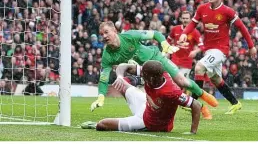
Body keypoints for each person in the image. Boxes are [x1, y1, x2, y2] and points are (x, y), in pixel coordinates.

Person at [90, 21, 218, 112]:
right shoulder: (107, 55)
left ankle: (203, 95)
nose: (104, 36)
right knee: (158, 100)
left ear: (114, 31)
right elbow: (103, 78)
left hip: (156, 58)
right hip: (145, 72)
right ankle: (200, 109)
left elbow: (155, 34)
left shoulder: (130, 36)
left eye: (106, 32)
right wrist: (101, 96)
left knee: (182, 81)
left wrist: (164, 44)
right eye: (102, 34)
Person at [178, 0, 257, 114]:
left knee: (199, 67)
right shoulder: (202, 9)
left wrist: (251, 46)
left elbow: (242, 27)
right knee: (215, 79)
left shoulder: (228, 11)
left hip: (221, 49)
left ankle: (193, 102)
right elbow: (192, 23)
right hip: (209, 50)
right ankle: (235, 103)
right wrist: (184, 33)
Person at [82, 61, 201, 134]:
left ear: (153, 78)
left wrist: (192, 132)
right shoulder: (157, 73)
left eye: (144, 75)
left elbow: (196, 105)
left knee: (102, 124)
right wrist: (119, 76)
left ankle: (95, 125)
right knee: (121, 83)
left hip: (149, 123)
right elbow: (123, 66)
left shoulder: (171, 92)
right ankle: (129, 84)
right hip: (146, 106)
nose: (142, 75)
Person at [167, 11, 212, 120]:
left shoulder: (195, 32)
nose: (185, 20)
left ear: (190, 19)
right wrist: (168, 52)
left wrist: (195, 51)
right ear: (181, 19)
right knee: (172, 84)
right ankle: (185, 103)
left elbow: (202, 46)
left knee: (179, 84)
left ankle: (196, 105)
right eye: (184, 18)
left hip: (186, 63)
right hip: (173, 61)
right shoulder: (175, 29)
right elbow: (168, 41)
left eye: (187, 18)